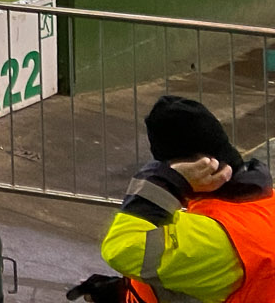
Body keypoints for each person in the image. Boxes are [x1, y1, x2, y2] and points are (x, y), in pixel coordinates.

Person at [70, 96, 274, 303]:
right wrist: (123, 292)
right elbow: (193, 280)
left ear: (196, 170)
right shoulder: (262, 205)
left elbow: (122, 248)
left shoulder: (216, 236)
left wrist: (162, 180)